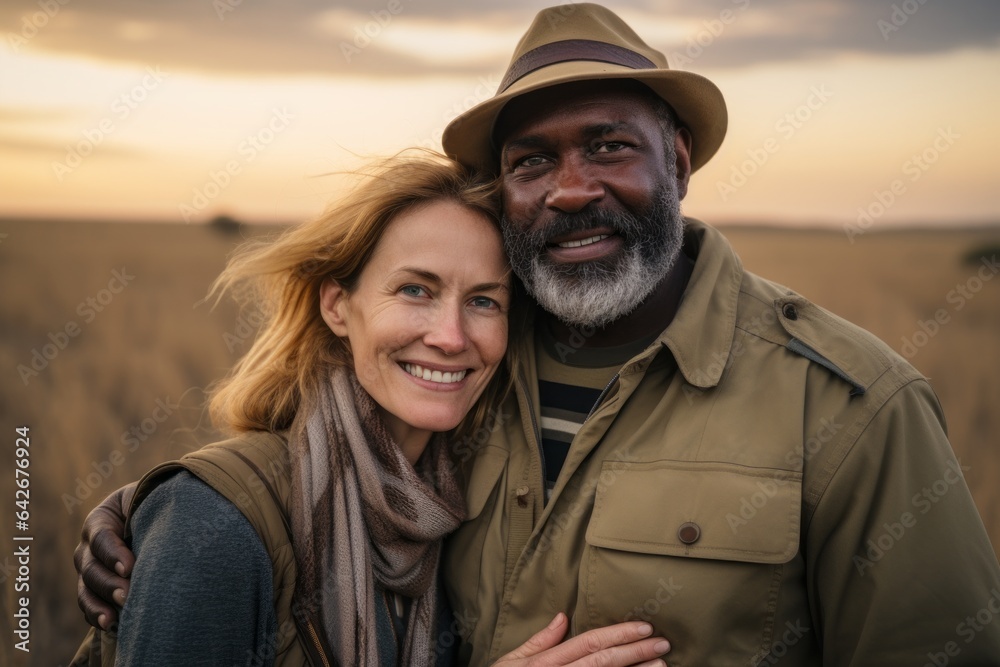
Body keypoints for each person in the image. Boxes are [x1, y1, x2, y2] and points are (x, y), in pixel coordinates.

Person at [77, 4, 1000, 666]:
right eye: (531, 162)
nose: (569, 188)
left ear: (676, 160)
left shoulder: (850, 406)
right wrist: (172, 516)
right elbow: (297, 481)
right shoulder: (467, 378)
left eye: (607, 145)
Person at [70, 151, 673, 667]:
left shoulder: (456, 508)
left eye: (485, 301)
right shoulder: (215, 523)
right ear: (338, 306)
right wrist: (168, 506)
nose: (451, 336)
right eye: (416, 290)